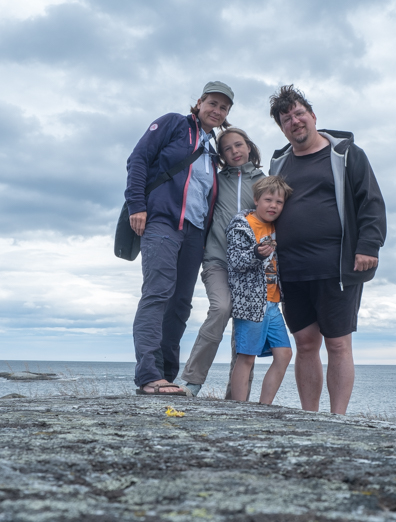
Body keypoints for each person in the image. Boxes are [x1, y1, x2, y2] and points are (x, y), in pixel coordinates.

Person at [267, 85, 386, 414]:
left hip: (337, 268)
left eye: (299, 113)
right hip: (291, 269)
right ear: (282, 127)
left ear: (313, 115)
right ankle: (311, 416)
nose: (295, 121)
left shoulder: (347, 154)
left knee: (337, 343)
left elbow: (370, 202)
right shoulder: (279, 164)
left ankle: (338, 418)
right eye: (286, 118)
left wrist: (368, 246)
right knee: (305, 344)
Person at [125, 81, 234, 395]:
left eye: (223, 107)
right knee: (157, 294)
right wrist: (137, 205)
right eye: (212, 103)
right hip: (162, 222)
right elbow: (138, 160)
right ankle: (148, 376)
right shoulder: (174, 123)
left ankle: (165, 377)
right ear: (199, 103)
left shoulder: (213, 147)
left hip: (194, 234)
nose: (217, 110)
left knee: (180, 305)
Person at [179, 128, 266, 398]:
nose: (234, 151)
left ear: (249, 147)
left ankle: (236, 395)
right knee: (221, 308)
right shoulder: (215, 180)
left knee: (245, 325)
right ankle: (191, 382)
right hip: (217, 260)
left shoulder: (265, 181)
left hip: (252, 268)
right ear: (222, 155)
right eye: (227, 149)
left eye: (238, 145)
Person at [226, 176, 293, 404]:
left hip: (273, 303)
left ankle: (264, 408)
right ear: (256, 200)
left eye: (279, 202)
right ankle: (240, 408)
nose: (273, 205)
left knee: (284, 355)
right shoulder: (242, 224)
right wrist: (256, 254)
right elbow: (235, 261)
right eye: (268, 199)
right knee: (246, 357)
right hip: (251, 303)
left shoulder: (278, 227)